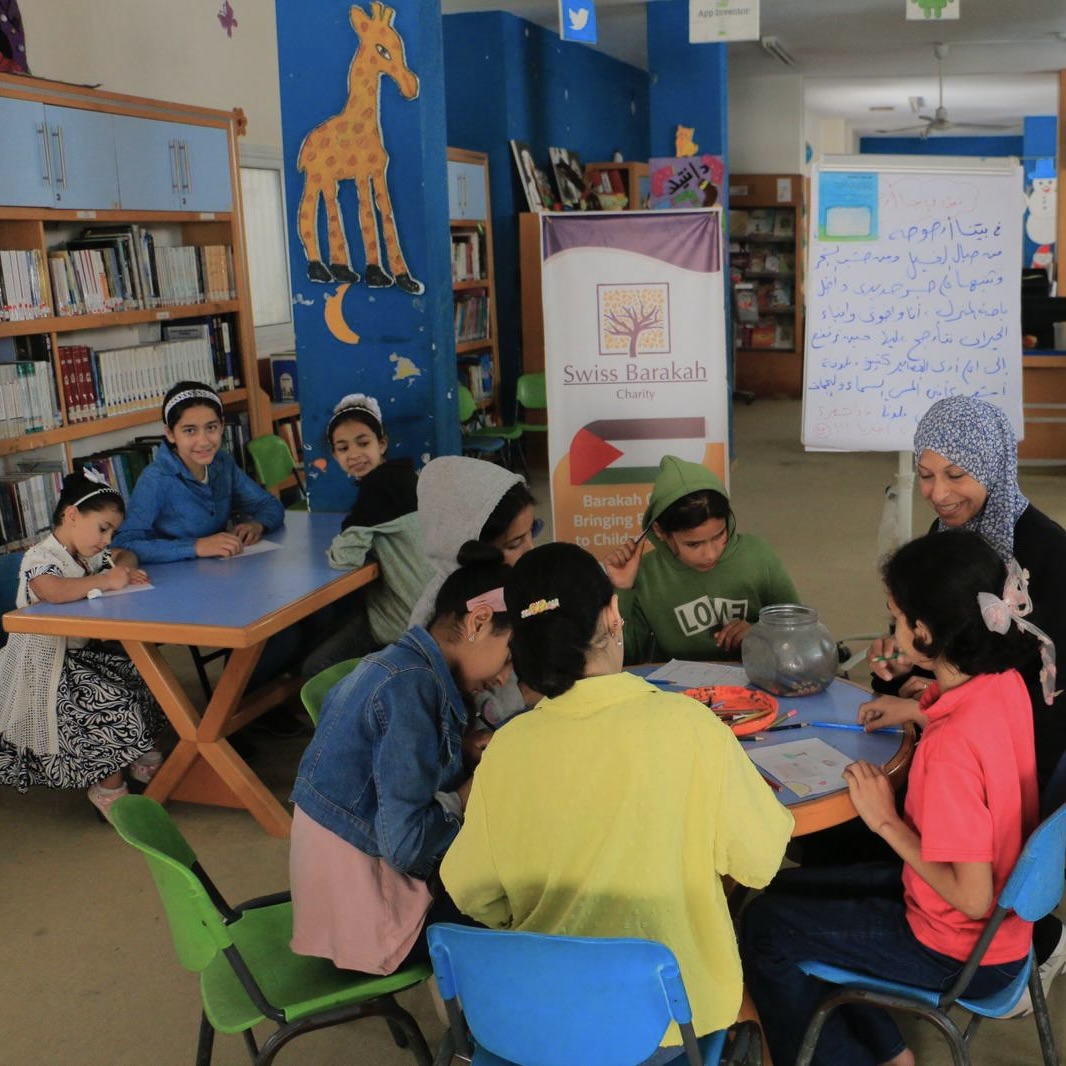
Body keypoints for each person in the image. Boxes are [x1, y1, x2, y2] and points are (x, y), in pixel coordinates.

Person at [442, 542, 793, 1056]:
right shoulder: (690, 727)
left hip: (532, 1025)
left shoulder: (508, 748)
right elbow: (761, 861)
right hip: (665, 1032)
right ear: (612, 615)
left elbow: (471, 890)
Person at [742, 531, 1043, 1066]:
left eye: (897, 619)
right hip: (1003, 930)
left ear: (925, 633)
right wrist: (917, 710)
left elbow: (971, 897)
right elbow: (975, 732)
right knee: (784, 892)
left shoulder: (950, 753)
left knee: (765, 930)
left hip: (957, 947)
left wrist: (885, 822)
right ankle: (889, 1050)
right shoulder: (1006, 682)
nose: (894, 631)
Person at [863, 395, 1066, 1004]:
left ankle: (1035, 939)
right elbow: (951, 644)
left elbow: (1035, 684)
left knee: (903, 815)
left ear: (997, 468)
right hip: (978, 724)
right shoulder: (949, 533)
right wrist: (908, 667)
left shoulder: (1051, 556)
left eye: (956, 474)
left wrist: (937, 701)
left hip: (1026, 742)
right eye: (925, 474)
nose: (938, 492)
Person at [288, 549, 513, 974]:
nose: (504, 677)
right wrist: (471, 789)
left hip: (335, 913)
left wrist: (461, 750)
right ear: (478, 622)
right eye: (509, 655)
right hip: (372, 926)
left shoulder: (397, 664)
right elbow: (407, 847)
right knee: (521, 903)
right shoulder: (410, 689)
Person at [0, 470, 163, 820]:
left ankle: (134, 751)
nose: (107, 539)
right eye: (103, 528)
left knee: (147, 677)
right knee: (111, 702)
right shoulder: (42, 557)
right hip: (44, 667)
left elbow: (126, 555)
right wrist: (105, 580)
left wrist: (123, 570)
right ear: (71, 515)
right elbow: (53, 592)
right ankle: (107, 787)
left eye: (112, 532)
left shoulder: (88, 554)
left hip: (79, 655)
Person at [603, 455, 799, 663]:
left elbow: (801, 633)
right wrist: (622, 590)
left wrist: (763, 633)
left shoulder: (758, 555)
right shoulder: (646, 572)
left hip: (757, 681)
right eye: (693, 544)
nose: (711, 554)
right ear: (660, 531)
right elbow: (624, 658)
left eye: (719, 535)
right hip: (677, 691)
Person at [302, 393, 433, 677]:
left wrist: (345, 534)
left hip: (405, 624)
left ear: (381, 443)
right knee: (329, 627)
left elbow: (346, 558)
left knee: (316, 667)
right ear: (335, 455)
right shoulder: (407, 476)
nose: (354, 454)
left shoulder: (378, 488)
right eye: (343, 448)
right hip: (433, 613)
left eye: (363, 443)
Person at [410, 455, 541, 725]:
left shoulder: (506, 586)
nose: (531, 550)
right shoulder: (434, 623)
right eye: (515, 543)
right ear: (472, 549)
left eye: (532, 533)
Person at [115, 381, 284, 562]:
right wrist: (196, 546)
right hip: (174, 579)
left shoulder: (222, 462)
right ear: (170, 433)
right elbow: (124, 544)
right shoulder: (155, 479)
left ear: (222, 426)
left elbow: (269, 505)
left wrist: (257, 525)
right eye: (190, 430)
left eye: (211, 427)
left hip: (221, 570)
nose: (203, 441)